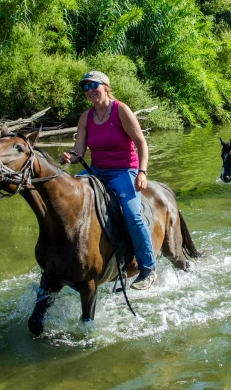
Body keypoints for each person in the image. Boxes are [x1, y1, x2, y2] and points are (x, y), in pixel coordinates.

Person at [59, 71, 157, 290]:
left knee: (133, 216)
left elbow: (141, 143)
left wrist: (142, 172)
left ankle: (148, 269)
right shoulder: (86, 117)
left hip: (124, 170)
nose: (89, 90)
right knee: (66, 197)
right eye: (85, 88)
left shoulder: (121, 110)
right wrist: (70, 157)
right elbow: (79, 152)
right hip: (96, 170)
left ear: (106, 86)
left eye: (94, 85)